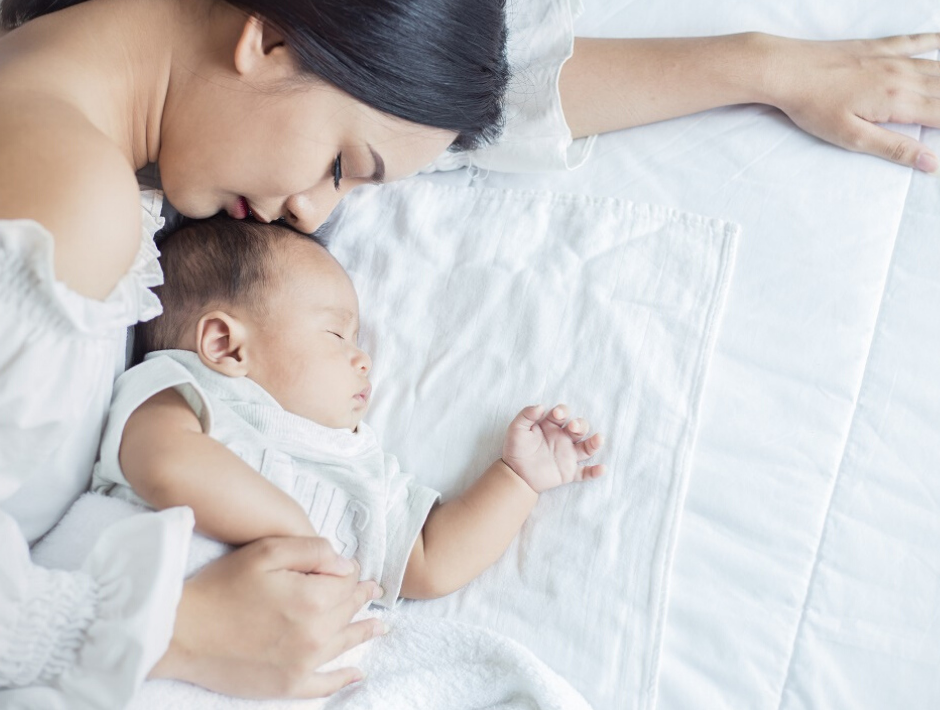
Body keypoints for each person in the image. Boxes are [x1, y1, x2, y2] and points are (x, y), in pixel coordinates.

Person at [0, 0, 940, 708]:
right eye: (344, 166)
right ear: (270, 36)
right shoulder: (63, 196)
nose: (319, 211)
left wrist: (765, 67)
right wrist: (179, 633)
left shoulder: (30, 62)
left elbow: (466, 104)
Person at [91, 214, 604, 612]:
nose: (363, 359)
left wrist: (518, 478)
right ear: (225, 344)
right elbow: (164, 463)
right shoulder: (183, 389)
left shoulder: (358, 464)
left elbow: (430, 562)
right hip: (144, 612)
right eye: (337, 334)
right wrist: (294, 531)